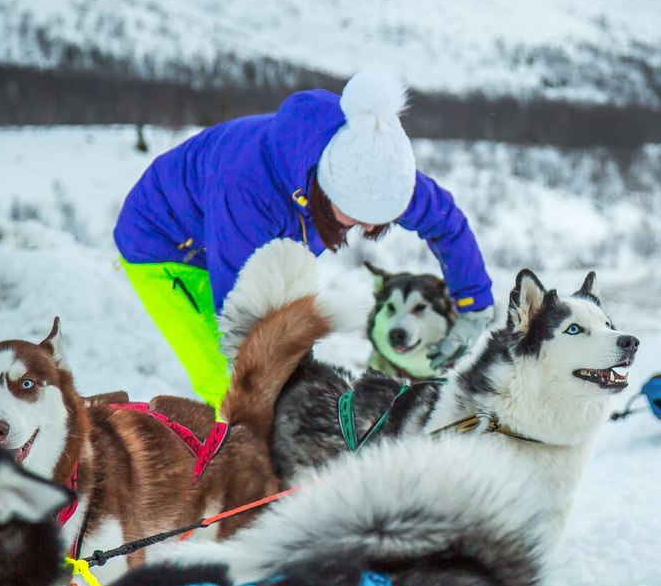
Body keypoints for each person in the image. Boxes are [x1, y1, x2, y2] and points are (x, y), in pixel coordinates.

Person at [113, 70, 495, 408]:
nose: (363, 225)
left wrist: (473, 303)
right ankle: (245, 481)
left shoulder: (380, 170)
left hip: (251, 238)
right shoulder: (248, 187)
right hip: (168, 245)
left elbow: (446, 223)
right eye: (356, 215)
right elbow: (241, 315)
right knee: (231, 385)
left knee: (283, 366)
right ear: (324, 190)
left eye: (378, 220)